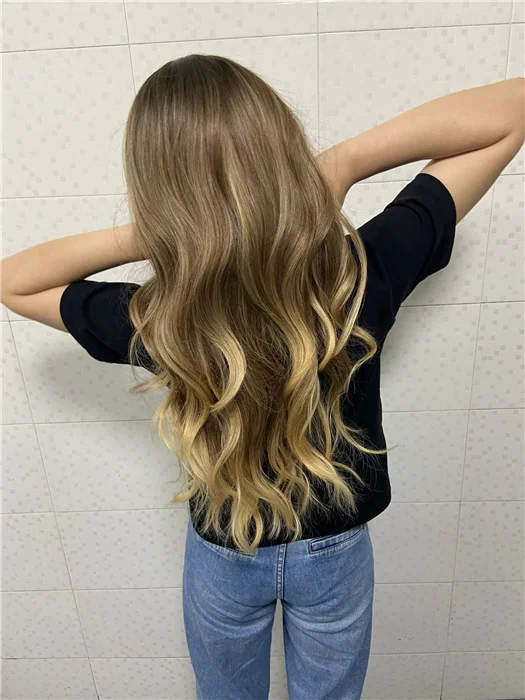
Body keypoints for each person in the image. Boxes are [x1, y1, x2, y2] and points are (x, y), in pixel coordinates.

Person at [1, 57, 523, 700]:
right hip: (334, 551)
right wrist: (343, 163)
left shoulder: (164, 317)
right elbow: (512, 109)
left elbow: (14, 280)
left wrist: (163, 234)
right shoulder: (361, 271)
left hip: (225, 551)